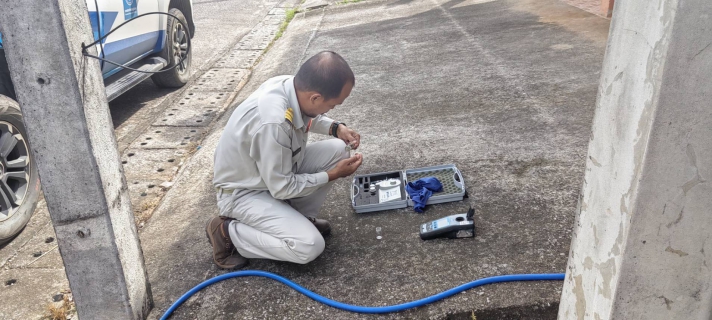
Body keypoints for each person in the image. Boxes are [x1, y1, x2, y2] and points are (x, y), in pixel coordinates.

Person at [207, 51, 363, 269]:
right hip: (243, 192)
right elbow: (282, 187)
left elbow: (306, 115)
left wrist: (336, 127)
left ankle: (296, 218)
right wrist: (332, 175)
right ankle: (229, 233)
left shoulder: (290, 86)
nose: (331, 110)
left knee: (339, 149)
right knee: (309, 246)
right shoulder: (274, 122)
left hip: (270, 175)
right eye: (332, 105)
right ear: (315, 97)